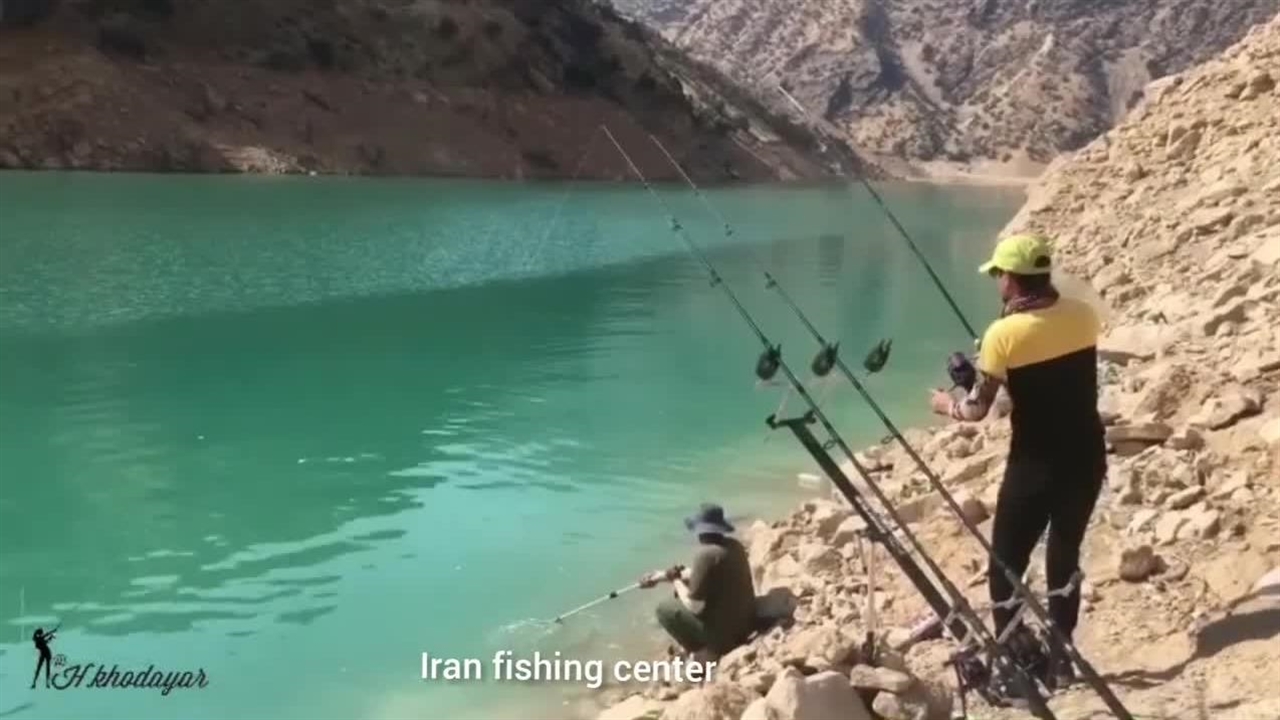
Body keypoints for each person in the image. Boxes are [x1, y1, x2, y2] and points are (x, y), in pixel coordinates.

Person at [928, 233, 1106, 694]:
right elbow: (1049, 377)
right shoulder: (1084, 315)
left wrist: (947, 403)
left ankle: (1015, 656)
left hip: (1035, 466)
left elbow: (977, 410)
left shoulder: (1002, 335)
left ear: (1009, 278)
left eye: (998, 275)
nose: (997, 283)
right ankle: (1061, 658)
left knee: (1005, 562)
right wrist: (995, 365)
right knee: (1063, 555)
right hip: (1087, 456)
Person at [640, 503, 756, 660]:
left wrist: (675, 580)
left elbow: (695, 607)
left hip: (725, 638)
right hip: (746, 625)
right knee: (683, 590)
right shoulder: (734, 545)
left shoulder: (705, 555)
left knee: (664, 609)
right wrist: (662, 576)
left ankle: (703, 651)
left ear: (700, 532)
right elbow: (705, 574)